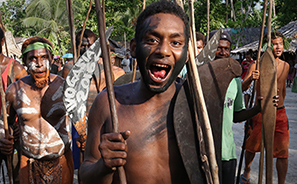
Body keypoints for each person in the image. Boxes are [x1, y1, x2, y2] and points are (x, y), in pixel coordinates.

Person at [79, 1, 204, 183]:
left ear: (187, 53)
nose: (163, 50)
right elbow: (86, 175)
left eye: (176, 42)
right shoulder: (108, 103)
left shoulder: (197, 104)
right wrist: (104, 166)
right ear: (134, 48)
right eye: (152, 40)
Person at [0, 36, 74, 184]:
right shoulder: (14, 91)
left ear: (52, 59)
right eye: (33, 59)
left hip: (62, 160)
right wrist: (4, 140)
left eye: (44, 57)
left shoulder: (66, 88)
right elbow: (4, 124)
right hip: (28, 162)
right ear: (25, 62)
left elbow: (81, 120)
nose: (39, 64)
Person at [62, 29, 125, 170]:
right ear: (76, 46)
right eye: (82, 45)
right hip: (79, 122)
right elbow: (68, 97)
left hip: (102, 122)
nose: (86, 49)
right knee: (84, 165)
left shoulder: (109, 68)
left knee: (103, 163)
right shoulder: (71, 67)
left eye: (89, 45)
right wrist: (79, 129)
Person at [211, 30, 264, 184]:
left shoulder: (234, 81)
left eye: (226, 49)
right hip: (203, 153)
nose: (222, 52)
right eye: (218, 47)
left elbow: (237, 115)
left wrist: (257, 108)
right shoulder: (199, 78)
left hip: (227, 153)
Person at [241, 31, 289, 184]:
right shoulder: (256, 64)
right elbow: (242, 87)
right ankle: (247, 170)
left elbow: (283, 91)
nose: (278, 47)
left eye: (280, 43)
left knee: (283, 152)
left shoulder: (286, 66)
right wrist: (251, 78)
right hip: (260, 111)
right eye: (275, 43)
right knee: (251, 146)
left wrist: (278, 101)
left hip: (279, 112)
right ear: (268, 46)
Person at [0, 26, 27, 183]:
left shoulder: (16, 69)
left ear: (2, 42)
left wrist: (18, 125)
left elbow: (28, 99)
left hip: (13, 133)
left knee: (17, 177)